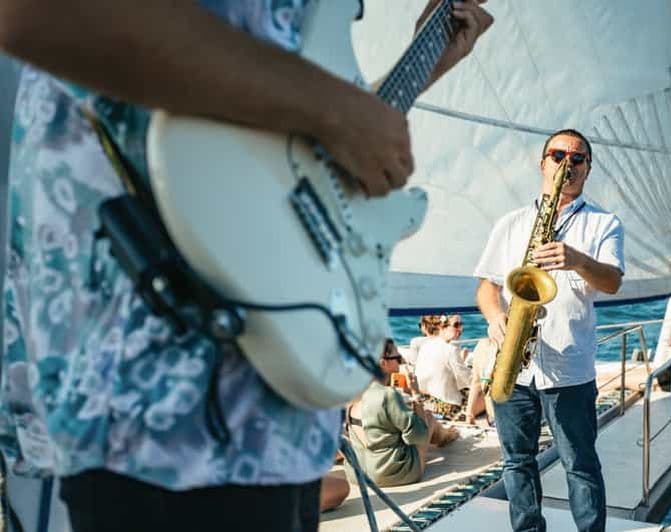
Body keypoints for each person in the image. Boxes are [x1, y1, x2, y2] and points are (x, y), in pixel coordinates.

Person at [0, 2, 493, 531]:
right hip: (158, 391)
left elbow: (290, 146)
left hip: (272, 400)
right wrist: (332, 109)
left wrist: (417, 69)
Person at [474, 129, 624, 532]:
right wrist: (495, 318)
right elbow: (487, 288)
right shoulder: (511, 223)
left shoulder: (603, 224)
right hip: (516, 364)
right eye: (558, 156)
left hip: (570, 368)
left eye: (578, 159)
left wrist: (577, 259)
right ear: (542, 163)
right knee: (516, 462)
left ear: (588, 169)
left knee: (580, 464)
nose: (567, 164)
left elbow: (612, 281)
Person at [345, 339, 459, 487]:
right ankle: (445, 436)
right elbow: (418, 436)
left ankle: (445, 434)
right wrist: (415, 393)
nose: (401, 363)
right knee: (428, 418)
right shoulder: (387, 395)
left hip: (357, 473)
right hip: (390, 474)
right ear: (383, 363)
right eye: (397, 359)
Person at [415, 314, 473, 420]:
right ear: (442, 326)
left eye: (461, 324)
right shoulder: (451, 349)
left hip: (428, 402)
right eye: (456, 325)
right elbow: (468, 381)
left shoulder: (425, 346)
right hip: (447, 408)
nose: (461, 329)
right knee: (482, 390)